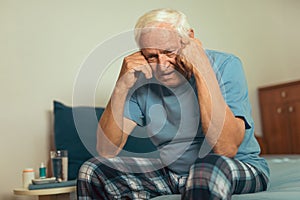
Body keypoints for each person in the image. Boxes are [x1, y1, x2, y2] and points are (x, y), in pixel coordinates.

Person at [77, 8, 269, 199]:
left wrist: (200, 65)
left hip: (235, 166)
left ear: (189, 39)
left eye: (169, 52)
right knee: (93, 170)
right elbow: (106, 150)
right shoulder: (142, 82)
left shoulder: (227, 65)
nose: (162, 65)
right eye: (151, 56)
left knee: (207, 167)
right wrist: (122, 85)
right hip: (173, 176)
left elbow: (226, 149)